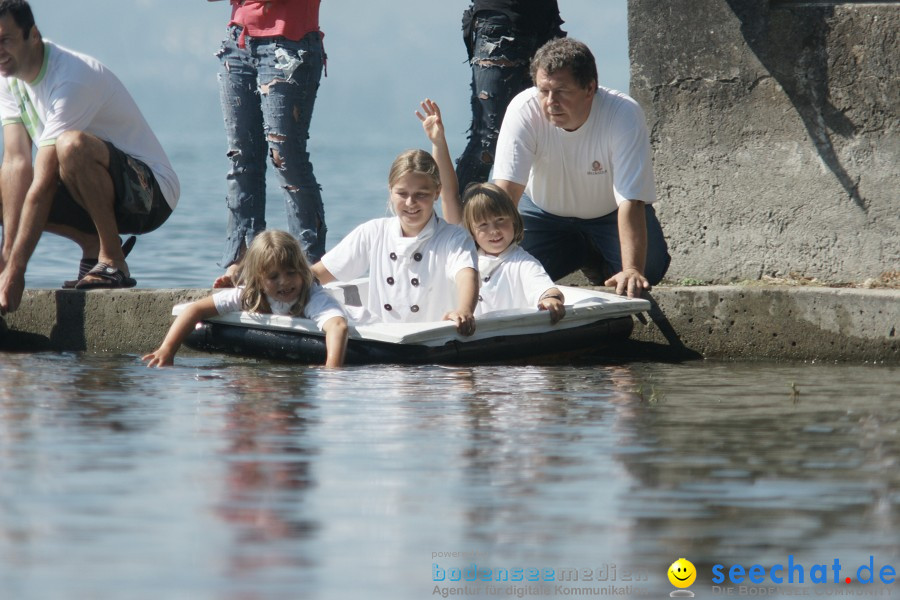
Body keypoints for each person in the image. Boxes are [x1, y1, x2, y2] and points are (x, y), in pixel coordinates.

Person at [0, 0, 179, 313]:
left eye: (5, 40)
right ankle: (92, 247)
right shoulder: (8, 78)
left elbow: (42, 184)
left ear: (33, 35)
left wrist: (18, 271)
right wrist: (6, 261)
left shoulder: (71, 78)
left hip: (152, 196)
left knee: (72, 147)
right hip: (89, 188)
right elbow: (16, 163)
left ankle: (113, 261)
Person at [493, 37, 670, 298]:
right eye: (543, 91)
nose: (551, 101)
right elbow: (506, 192)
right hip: (541, 212)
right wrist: (488, 262)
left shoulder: (622, 114)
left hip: (608, 213)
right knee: (506, 273)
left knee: (648, 270)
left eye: (562, 91)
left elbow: (631, 198)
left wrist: (632, 268)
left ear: (590, 88)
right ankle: (579, 251)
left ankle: (597, 257)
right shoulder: (523, 109)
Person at [210, 0, 327, 285]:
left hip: (291, 43)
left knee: (286, 157)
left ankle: (310, 264)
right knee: (241, 157)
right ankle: (243, 259)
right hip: (239, 43)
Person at [311, 149, 479, 336]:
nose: (410, 202)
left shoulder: (454, 237)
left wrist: (464, 310)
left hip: (434, 339)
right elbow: (319, 273)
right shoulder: (373, 232)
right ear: (390, 191)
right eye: (402, 193)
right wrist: (278, 290)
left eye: (421, 194)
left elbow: (466, 276)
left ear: (437, 192)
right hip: (382, 339)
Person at [143, 230, 348, 368]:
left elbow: (338, 327)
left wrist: (331, 370)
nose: (284, 282)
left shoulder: (311, 295)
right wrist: (167, 349)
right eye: (273, 277)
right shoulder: (249, 294)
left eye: (291, 273)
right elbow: (195, 310)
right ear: (258, 279)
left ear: (303, 271)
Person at [456, 0, 565, 193]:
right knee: (487, 139)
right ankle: (461, 220)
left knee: (546, 130)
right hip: (499, 19)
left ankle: (526, 217)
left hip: (544, 21)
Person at [462, 183, 565, 324]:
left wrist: (550, 298)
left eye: (500, 219)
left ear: (513, 220)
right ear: (472, 232)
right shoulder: (466, 261)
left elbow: (545, 287)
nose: (494, 230)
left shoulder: (522, 262)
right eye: (483, 225)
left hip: (510, 334)